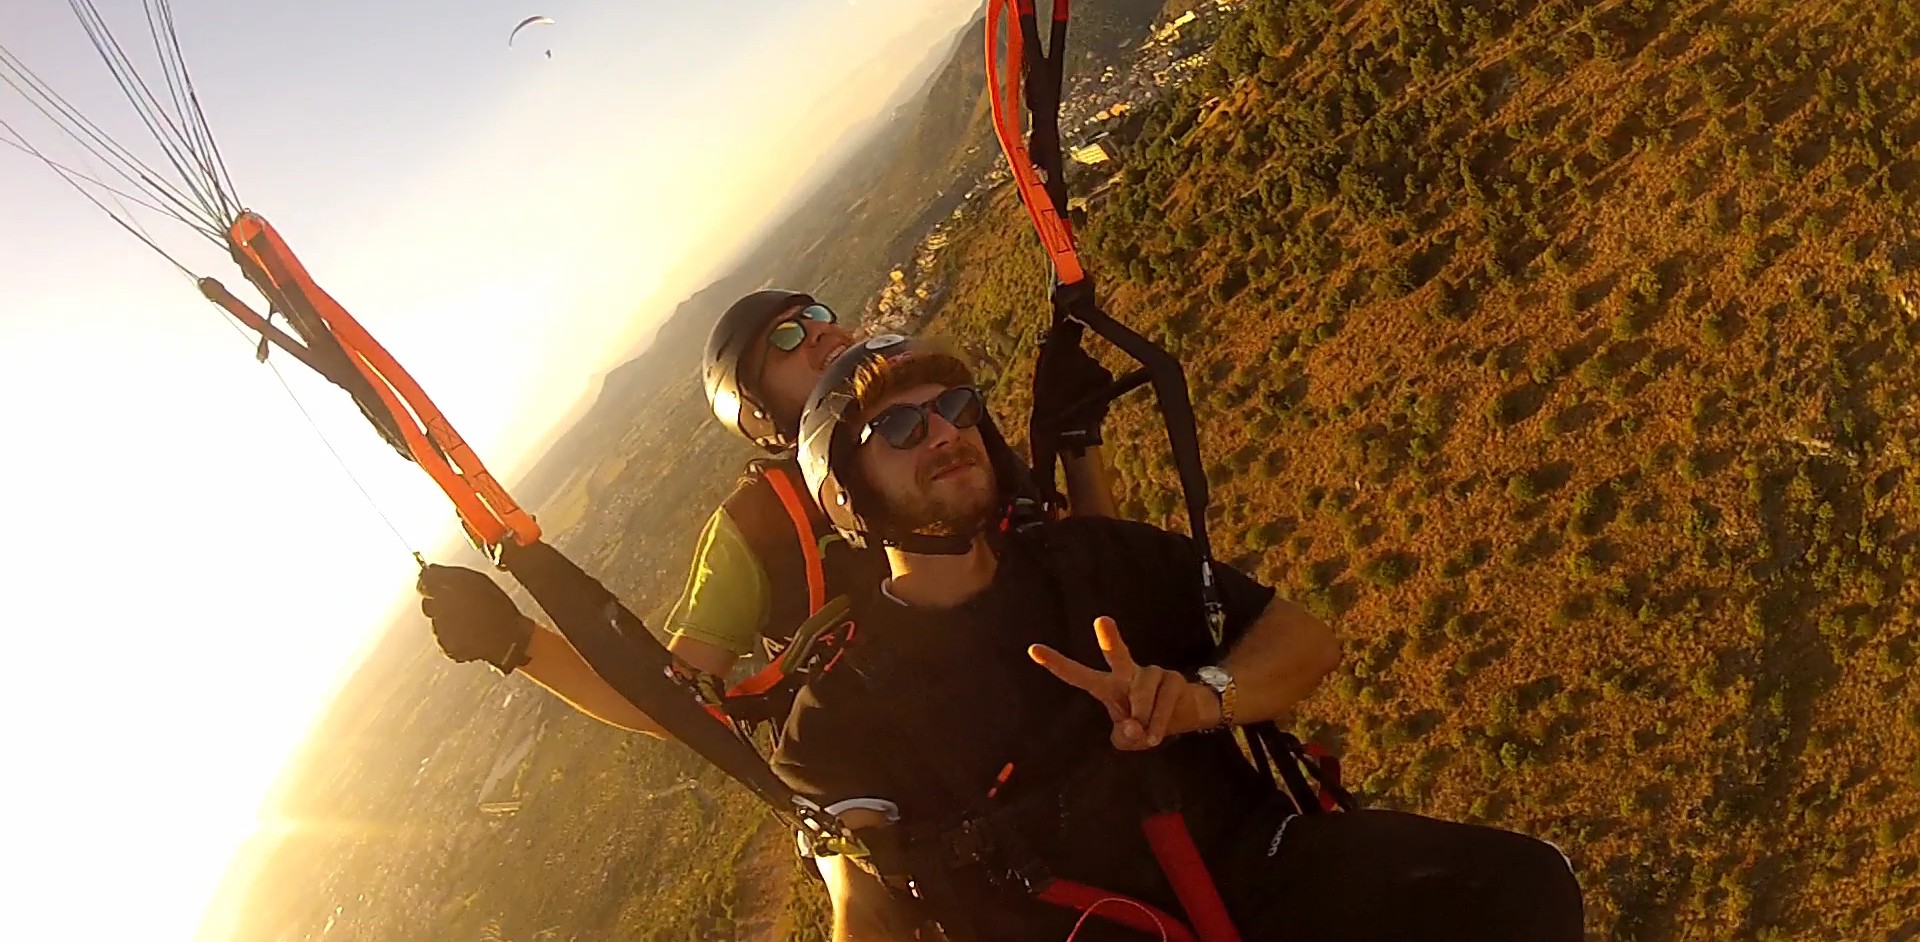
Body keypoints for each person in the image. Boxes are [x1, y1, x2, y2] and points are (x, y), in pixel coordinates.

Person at [775, 334, 1586, 942]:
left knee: (1520, 886)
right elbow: (864, 905)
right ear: (846, 496)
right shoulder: (842, 709)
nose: (945, 434)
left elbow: (1304, 641)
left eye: (955, 409)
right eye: (902, 430)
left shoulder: (1092, 560)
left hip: (1262, 872)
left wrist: (1202, 700)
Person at [417, 291, 1121, 738]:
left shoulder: (939, 424)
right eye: (785, 340)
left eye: (815, 316)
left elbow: (1085, 560)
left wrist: (1081, 443)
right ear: (757, 415)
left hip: (1086, 696)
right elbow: (677, 706)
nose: (818, 333)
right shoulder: (759, 528)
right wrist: (520, 644)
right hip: (931, 771)